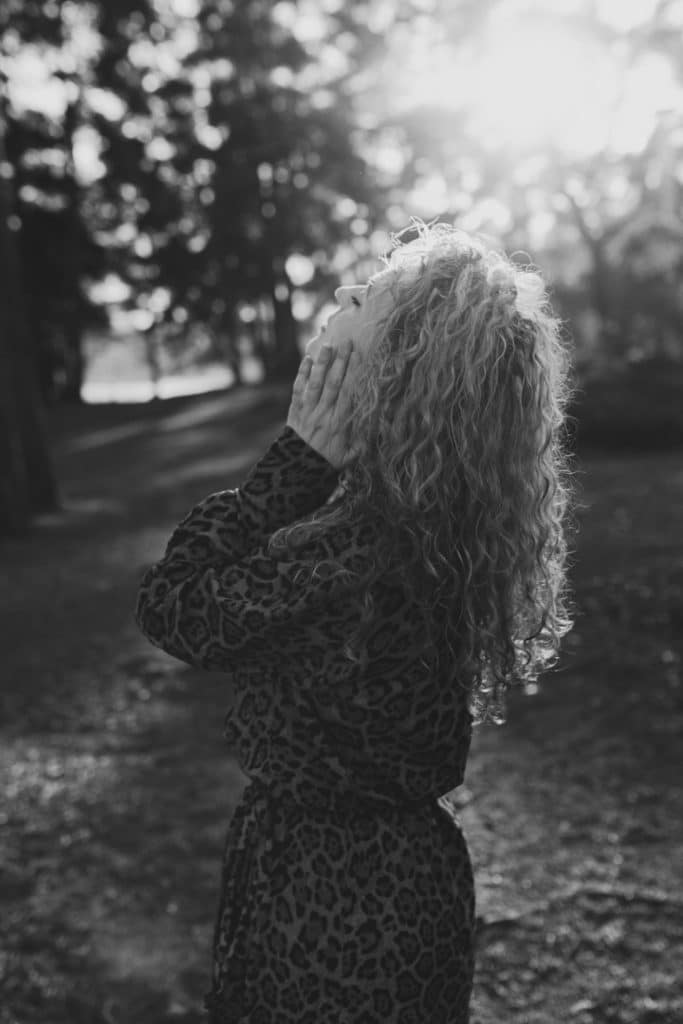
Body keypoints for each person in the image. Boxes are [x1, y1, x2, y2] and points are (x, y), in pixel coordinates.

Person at [134, 219, 575, 1023]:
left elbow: (177, 607)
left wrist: (294, 462)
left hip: (334, 906)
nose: (342, 291)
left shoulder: (366, 549)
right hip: (392, 882)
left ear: (402, 359)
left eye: (368, 294)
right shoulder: (433, 516)